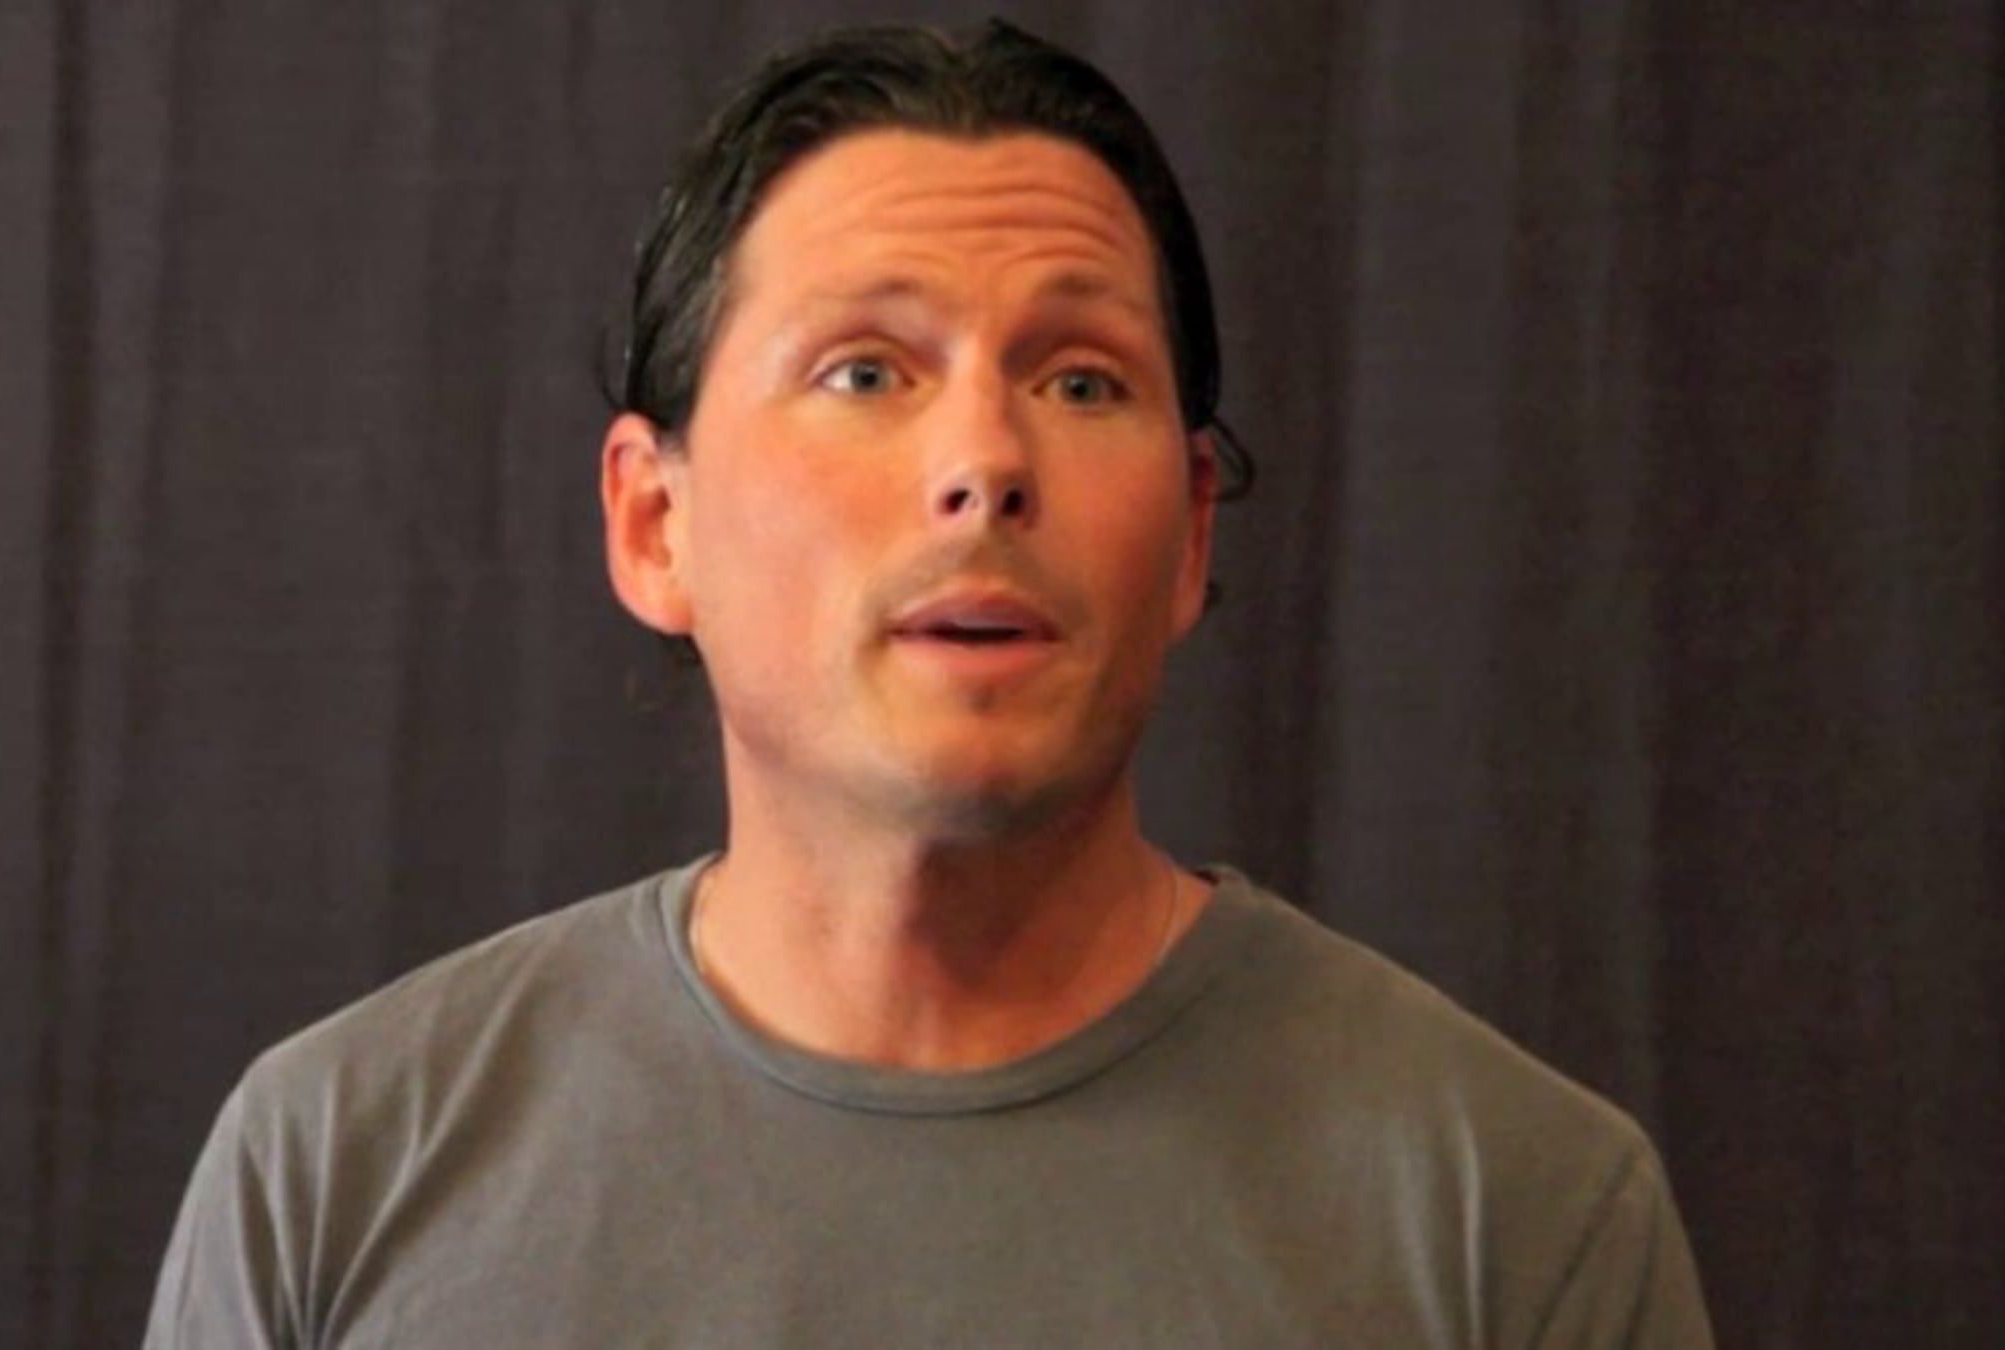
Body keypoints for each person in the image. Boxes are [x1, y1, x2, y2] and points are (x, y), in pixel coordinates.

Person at [145, 20, 1714, 1347]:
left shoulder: (1521, 1216)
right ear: (654, 523)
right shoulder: (336, 1172)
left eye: (1081, 379)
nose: (984, 461)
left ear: (1190, 533)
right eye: (865, 371)